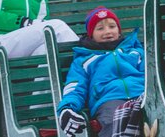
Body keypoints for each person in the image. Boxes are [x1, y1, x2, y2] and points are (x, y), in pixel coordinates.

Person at [56, 7, 146, 137]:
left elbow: (150, 74)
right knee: (112, 121)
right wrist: (67, 109)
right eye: (100, 28)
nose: (107, 31)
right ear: (91, 34)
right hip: (109, 100)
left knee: (156, 115)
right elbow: (75, 87)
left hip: (141, 94)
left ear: (119, 30)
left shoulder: (134, 51)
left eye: (112, 26)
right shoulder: (84, 60)